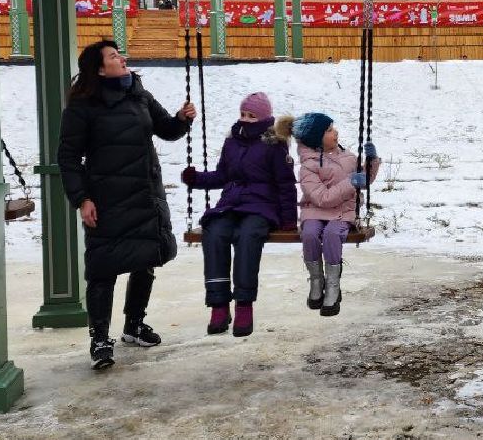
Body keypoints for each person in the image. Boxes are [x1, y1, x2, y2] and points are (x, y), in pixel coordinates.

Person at [58, 40, 195, 370]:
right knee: (103, 268)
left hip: (145, 191)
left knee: (144, 257)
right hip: (106, 196)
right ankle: (100, 338)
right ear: (100, 68)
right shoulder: (83, 105)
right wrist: (82, 199)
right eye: (113, 56)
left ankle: (134, 324)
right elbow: (68, 156)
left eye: (120, 54)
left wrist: (181, 118)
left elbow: (165, 129)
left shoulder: (139, 93)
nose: (122, 59)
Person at [181, 92, 296, 338]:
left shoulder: (274, 144)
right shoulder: (232, 141)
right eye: (243, 114)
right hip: (231, 203)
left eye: (251, 116)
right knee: (214, 231)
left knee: (248, 235)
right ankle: (219, 305)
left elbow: (286, 184)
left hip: (261, 207)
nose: (245, 119)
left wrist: (289, 218)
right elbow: (222, 176)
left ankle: (244, 304)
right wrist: (197, 179)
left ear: (264, 118)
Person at [292, 112, 379, 317]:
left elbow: (364, 180)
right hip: (315, 210)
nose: (335, 132)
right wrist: (351, 183)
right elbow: (322, 198)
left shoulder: (348, 157)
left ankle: (333, 285)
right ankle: (316, 280)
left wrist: (372, 161)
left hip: (343, 211)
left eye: (333, 127)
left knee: (332, 235)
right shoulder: (307, 166)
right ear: (316, 139)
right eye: (329, 130)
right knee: (310, 234)